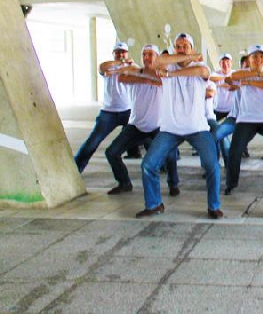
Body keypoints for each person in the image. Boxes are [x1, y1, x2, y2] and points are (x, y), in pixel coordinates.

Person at [135, 33, 223, 219]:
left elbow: (200, 72)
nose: (181, 49)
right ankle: (154, 204)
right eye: (178, 46)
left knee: (212, 165)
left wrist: (171, 74)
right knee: (148, 165)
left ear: (191, 48)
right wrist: (185, 59)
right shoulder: (165, 64)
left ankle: (213, 206)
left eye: (185, 46)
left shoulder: (201, 67)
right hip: (170, 129)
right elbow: (158, 61)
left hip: (197, 128)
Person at [105, 45, 179, 196]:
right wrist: (144, 77)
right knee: (112, 152)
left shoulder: (165, 73)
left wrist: (143, 75)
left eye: (150, 54)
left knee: (170, 155)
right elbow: (123, 77)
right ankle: (124, 182)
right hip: (136, 125)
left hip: (159, 126)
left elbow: (160, 80)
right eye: (144, 54)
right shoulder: (136, 70)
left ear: (157, 58)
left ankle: (173, 184)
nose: (146, 58)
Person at [224, 45, 263, 195]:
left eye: (261, 57)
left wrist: (249, 82)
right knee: (235, 150)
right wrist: (249, 75)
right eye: (254, 57)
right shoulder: (242, 73)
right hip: (246, 118)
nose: (258, 59)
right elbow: (229, 78)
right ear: (249, 59)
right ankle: (231, 183)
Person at [74, 42, 133, 172]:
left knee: (147, 135)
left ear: (127, 53)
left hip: (128, 111)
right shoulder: (109, 67)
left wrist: (127, 65)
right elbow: (102, 67)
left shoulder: (132, 66)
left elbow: (139, 71)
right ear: (113, 54)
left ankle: (161, 164)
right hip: (109, 112)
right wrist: (119, 64)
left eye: (123, 52)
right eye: (117, 52)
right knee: (93, 141)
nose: (120, 54)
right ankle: (76, 168)